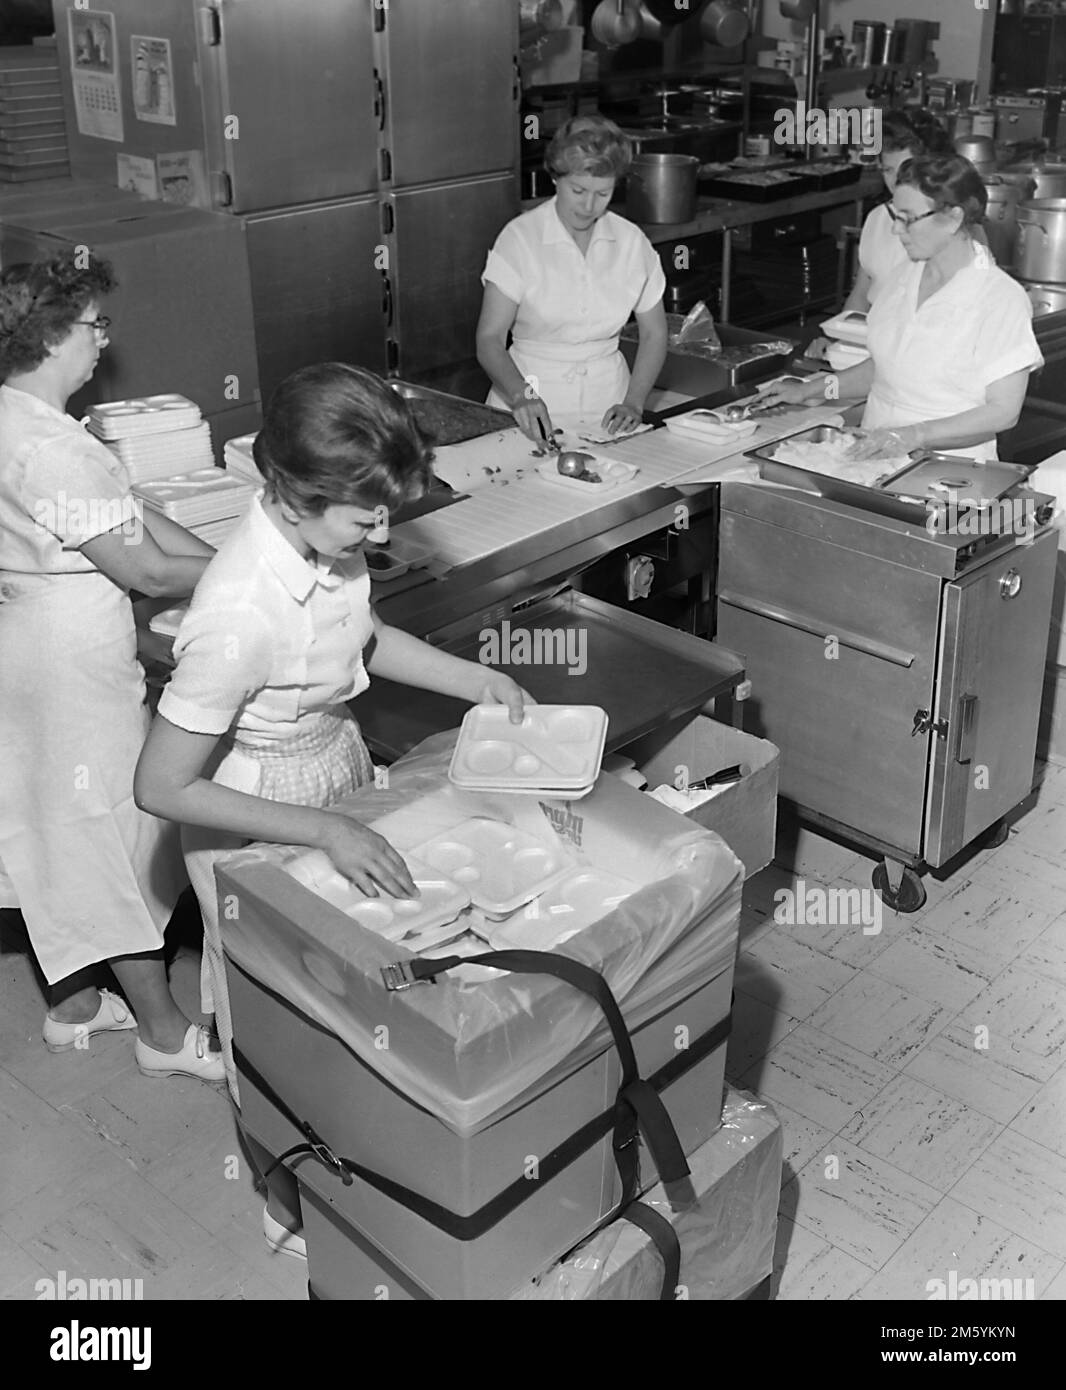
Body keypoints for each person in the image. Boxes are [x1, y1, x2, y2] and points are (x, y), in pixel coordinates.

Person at [133, 362, 530, 1258]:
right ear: (289, 492)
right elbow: (161, 785)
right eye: (364, 517)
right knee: (278, 1017)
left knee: (350, 999)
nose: (381, 534)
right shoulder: (238, 613)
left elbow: (369, 635)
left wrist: (478, 680)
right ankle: (285, 1195)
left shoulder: (326, 546)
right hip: (256, 802)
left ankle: (359, 1160)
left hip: (328, 765)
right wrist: (326, 829)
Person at [0, 251, 223, 1082]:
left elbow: (131, 517)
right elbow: (146, 572)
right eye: (95, 325)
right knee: (111, 846)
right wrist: (248, 575)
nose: (103, 341)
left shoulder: (21, 419)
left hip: (25, 647)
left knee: (50, 831)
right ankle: (164, 1035)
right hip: (71, 667)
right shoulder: (49, 449)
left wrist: (228, 556)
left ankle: (74, 1008)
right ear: (53, 333)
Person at [760, 154, 1041, 462]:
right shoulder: (904, 276)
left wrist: (912, 436)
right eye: (895, 216)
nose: (896, 231)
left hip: (951, 472)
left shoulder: (999, 298)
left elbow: (1003, 412)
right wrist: (811, 390)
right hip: (872, 454)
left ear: (953, 218)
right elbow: (885, 370)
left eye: (908, 218)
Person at [476, 114, 668, 442]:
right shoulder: (520, 238)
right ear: (556, 177)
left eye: (603, 194)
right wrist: (522, 395)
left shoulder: (631, 242)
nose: (589, 205)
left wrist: (634, 402)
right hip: (529, 405)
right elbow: (490, 339)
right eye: (578, 190)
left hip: (609, 409)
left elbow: (654, 333)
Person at [806, 109, 954, 362]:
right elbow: (863, 293)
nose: (896, 181)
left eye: (904, 171)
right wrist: (838, 340)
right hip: (868, 354)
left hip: (915, 360)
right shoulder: (877, 219)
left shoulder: (950, 230)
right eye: (887, 170)